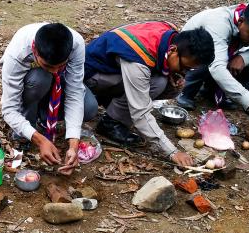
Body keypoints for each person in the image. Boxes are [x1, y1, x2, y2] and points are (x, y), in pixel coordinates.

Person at [84, 21, 215, 167]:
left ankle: (112, 103)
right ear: (173, 50)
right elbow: (140, 113)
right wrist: (172, 152)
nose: (184, 72)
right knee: (157, 83)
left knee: (162, 82)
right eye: (185, 67)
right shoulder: (138, 61)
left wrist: (171, 72)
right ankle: (109, 123)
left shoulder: (170, 33)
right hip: (91, 76)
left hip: (114, 70)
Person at [0, 23, 97, 176]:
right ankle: (27, 127)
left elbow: (75, 92)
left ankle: (45, 117)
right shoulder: (17, 54)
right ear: (35, 51)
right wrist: (40, 140)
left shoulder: (76, 44)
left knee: (89, 107)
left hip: (58, 83)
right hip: (33, 83)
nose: (55, 71)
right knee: (41, 78)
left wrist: (73, 144)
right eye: (48, 65)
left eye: (61, 65)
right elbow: (9, 109)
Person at [176, 0, 249, 122]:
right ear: (240, 21)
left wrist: (245, 58)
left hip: (223, 54)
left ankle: (211, 91)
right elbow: (217, 68)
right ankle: (187, 91)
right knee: (208, 56)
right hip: (191, 54)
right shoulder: (219, 22)